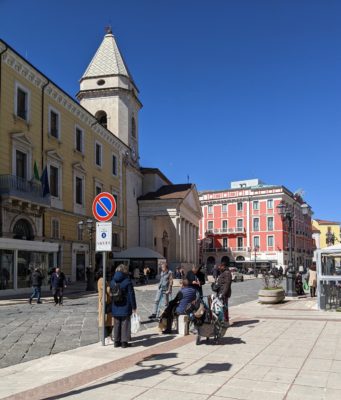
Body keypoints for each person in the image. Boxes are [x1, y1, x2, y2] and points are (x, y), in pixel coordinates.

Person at [110, 264, 137, 348]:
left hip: (115, 305)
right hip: (125, 305)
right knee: (125, 323)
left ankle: (116, 341)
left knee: (117, 323)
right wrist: (134, 306)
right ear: (124, 271)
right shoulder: (127, 281)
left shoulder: (112, 281)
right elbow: (131, 294)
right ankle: (124, 342)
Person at [97, 268, 114, 345]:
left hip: (107, 302)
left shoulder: (103, 280)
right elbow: (107, 289)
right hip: (105, 303)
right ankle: (106, 337)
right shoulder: (101, 280)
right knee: (106, 320)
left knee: (109, 321)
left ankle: (108, 336)